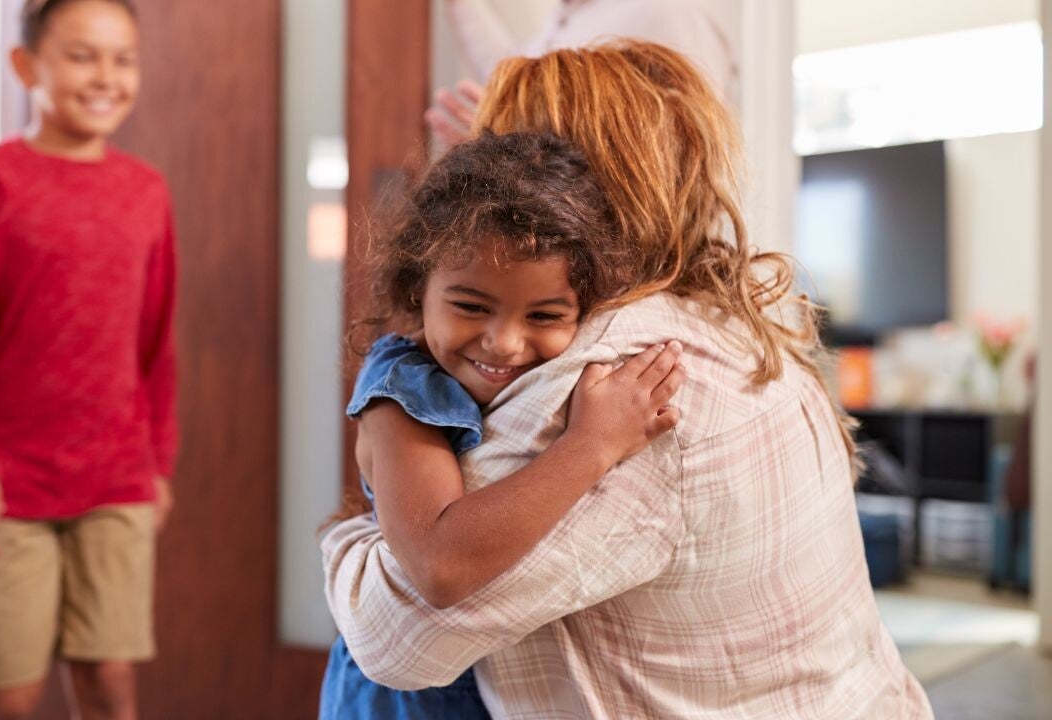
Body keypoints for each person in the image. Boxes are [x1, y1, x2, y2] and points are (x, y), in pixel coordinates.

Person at [322, 42, 933, 718]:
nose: (505, 340)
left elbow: (394, 638)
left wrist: (353, 531)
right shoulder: (731, 323)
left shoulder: (611, 375)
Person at [318, 131, 685, 719]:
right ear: (419, 287)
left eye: (544, 315)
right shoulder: (402, 394)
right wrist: (591, 445)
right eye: (470, 306)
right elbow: (441, 564)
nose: (505, 343)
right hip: (401, 705)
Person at [0, 1, 176, 718]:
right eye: (82, 55)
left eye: (122, 58)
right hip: (11, 483)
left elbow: (157, 342)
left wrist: (159, 463)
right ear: (27, 65)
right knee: (10, 697)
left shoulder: (147, 190)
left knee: (110, 686)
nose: (106, 76)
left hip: (118, 476)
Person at [427, 0, 737, 148]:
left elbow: (691, 159)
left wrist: (520, 142)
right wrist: (503, 145)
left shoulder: (666, 13)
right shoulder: (569, 19)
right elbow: (515, 84)